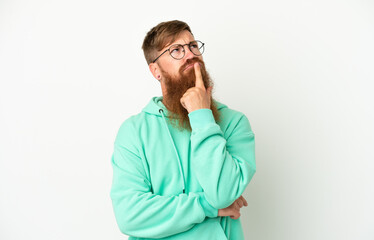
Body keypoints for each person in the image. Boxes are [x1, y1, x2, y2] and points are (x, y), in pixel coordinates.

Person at [110, 20, 256, 240]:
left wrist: (201, 116)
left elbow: (222, 195)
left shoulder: (234, 123)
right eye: (176, 50)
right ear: (155, 70)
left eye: (193, 46)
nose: (190, 55)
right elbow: (130, 216)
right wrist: (208, 207)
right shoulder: (134, 132)